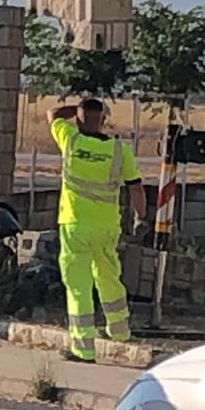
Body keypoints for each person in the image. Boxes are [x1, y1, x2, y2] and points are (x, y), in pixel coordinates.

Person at [48, 97, 146, 362]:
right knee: (108, 277)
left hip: (74, 225)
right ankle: (121, 331)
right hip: (106, 227)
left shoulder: (70, 140)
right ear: (104, 119)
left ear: (78, 120)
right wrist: (141, 217)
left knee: (79, 286)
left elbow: (53, 114)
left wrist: (77, 108)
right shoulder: (118, 150)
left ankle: (83, 348)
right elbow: (135, 187)